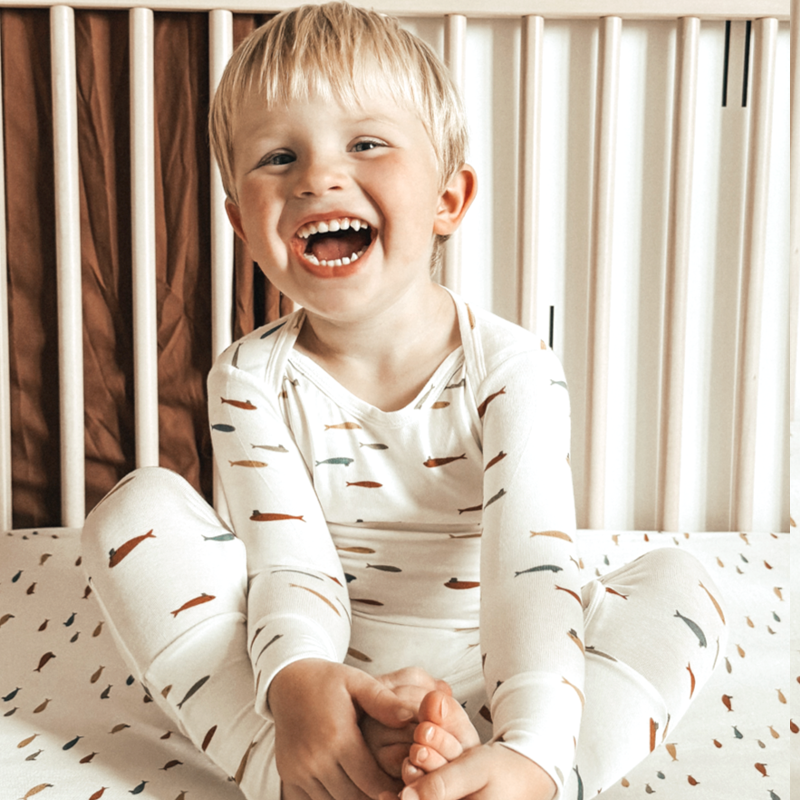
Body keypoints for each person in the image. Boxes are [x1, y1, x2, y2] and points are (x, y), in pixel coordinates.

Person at [81, 4, 728, 800]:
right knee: (133, 512)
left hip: (505, 666)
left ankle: (531, 776)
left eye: (366, 143)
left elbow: (532, 572)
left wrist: (531, 732)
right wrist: (299, 678)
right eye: (279, 156)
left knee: (684, 583)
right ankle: (300, 766)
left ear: (448, 200)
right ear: (242, 225)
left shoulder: (512, 368)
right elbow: (293, 566)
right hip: (329, 676)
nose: (317, 176)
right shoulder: (250, 379)